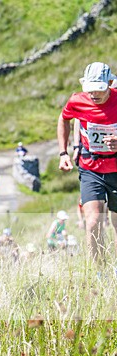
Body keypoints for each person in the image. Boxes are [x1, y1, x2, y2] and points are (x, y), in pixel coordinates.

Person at [58, 61, 117, 262]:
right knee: (93, 221)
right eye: (90, 89)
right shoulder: (77, 100)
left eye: (99, 90)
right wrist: (63, 152)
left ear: (110, 83)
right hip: (90, 168)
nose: (94, 95)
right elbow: (64, 118)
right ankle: (99, 271)